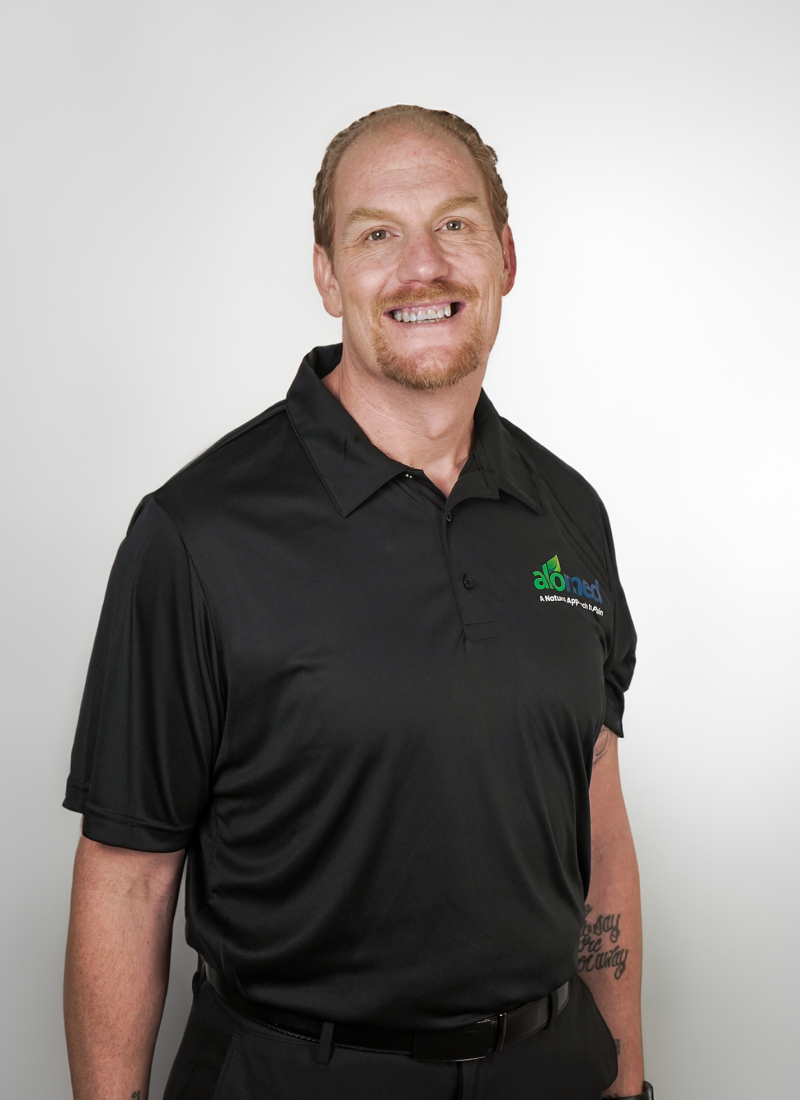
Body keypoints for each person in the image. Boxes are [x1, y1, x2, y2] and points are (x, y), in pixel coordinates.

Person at [63, 105, 653, 1100]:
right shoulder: (198, 533)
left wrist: (627, 1078)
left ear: (505, 256)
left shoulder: (569, 513)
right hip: (293, 1074)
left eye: (455, 224)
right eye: (377, 233)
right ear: (327, 275)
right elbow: (127, 878)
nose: (423, 265)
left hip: (549, 1069)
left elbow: (597, 816)